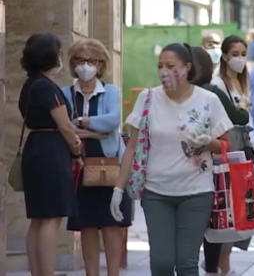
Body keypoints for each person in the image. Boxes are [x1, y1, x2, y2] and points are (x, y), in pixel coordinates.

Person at [110, 42, 234, 276]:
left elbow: (226, 144)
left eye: (171, 66)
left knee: (187, 263)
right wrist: (118, 189)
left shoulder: (209, 100)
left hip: (197, 192)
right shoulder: (147, 99)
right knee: (162, 263)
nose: (164, 71)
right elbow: (131, 148)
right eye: (160, 66)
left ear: (187, 68)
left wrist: (208, 142)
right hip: (156, 193)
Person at [62, 38, 131, 276]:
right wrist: (94, 131)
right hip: (79, 166)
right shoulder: (65, 93)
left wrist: (81, 122)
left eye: (91, 61)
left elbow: (112, 121)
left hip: (109, 165)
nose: (85, 66)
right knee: (87, 225)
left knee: (112, 225)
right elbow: (65, 128)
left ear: (100, 64)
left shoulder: (110, 91)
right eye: (80, 60)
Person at [18, 33, 82, 276]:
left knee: (37, 218)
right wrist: (76, 149)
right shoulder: (47, 86)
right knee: (51, 218)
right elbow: (65, 126)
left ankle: (37, 271)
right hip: (51, 152)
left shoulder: (29, 84)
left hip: (35, 148)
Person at [190, 46, 250, 276]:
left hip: (187, 168)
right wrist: (242, 106)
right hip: (216, 166)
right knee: (217, 218)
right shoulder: (213, 90)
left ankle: (208, 266)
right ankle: (215, 268)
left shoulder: (188, 93)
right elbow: (239, 117)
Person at [210, 35, 251, 276]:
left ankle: (224, 263)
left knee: (241, 207)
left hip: (243, 146)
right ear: (225, 56)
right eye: (235, 54)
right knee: (228, 209)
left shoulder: (244, 80)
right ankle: (222, 266)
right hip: (228, 146)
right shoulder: (219, 83)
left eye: (243, 54)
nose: (239, 59)